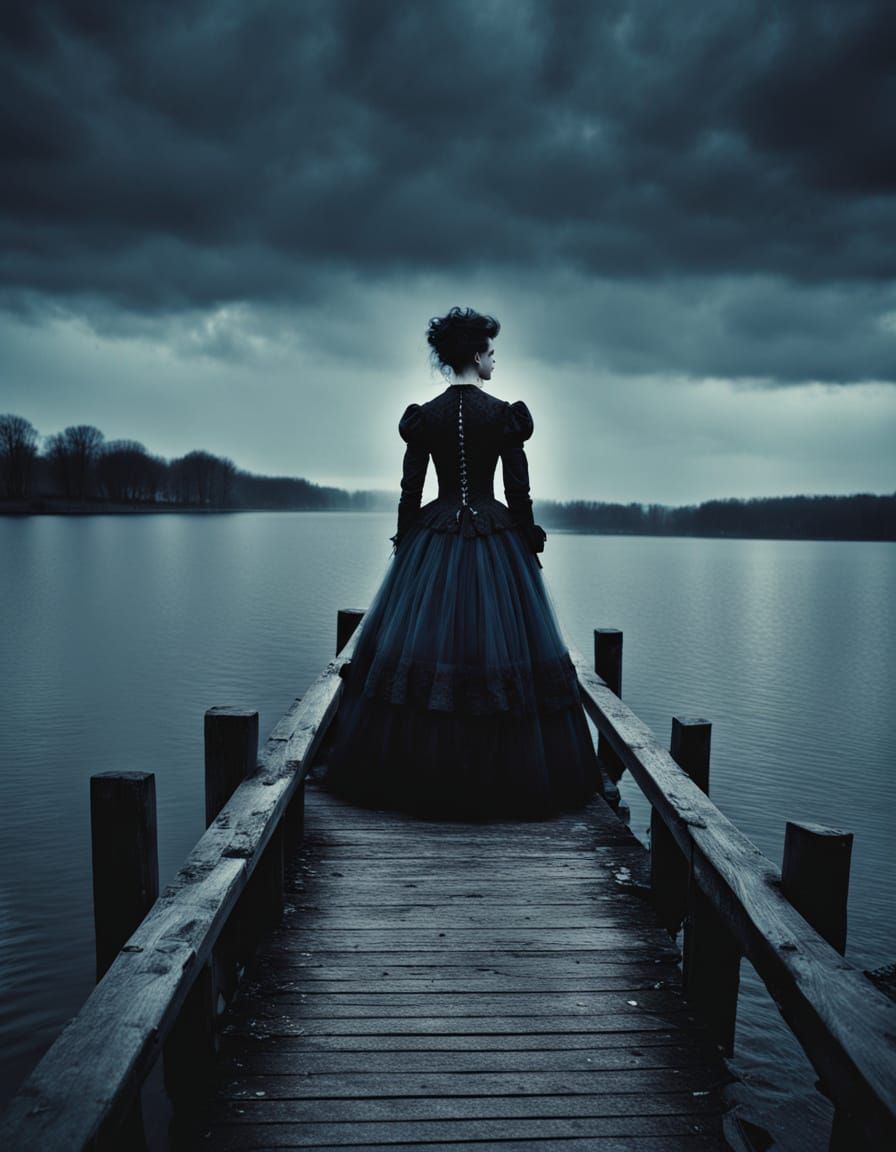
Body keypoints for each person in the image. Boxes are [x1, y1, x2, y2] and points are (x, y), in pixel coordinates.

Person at [327, 307, 601, 818]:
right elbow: (518, 492)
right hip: (494, 535)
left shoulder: (423, 416)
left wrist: (407, 541)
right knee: (498, 655)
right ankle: (502, 777)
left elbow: (411, 491)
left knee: (426, 650)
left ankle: (416, 775)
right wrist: (528, 537)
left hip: (435, 532)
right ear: (477, 356)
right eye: (492, 352)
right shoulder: (504, 416)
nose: (496, 360)